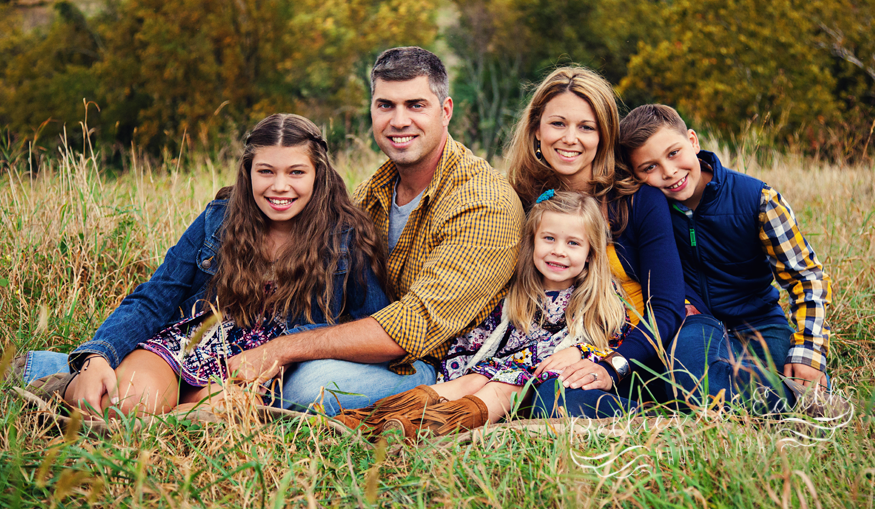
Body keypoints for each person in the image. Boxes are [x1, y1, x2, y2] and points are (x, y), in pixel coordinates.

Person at [20, 47, 524, 417]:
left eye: (415, 105)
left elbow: (405, 329)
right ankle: (95, 370)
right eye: (385, 105)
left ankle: (81, 375)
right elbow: (158, 295)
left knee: (313, 387)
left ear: (445, 110)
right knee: (140, 389)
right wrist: (102, 351)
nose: (398, 120)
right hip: (242, 346)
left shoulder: (481, 203)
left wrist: (279, 351)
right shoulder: (374, 190)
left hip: (433, 362)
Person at [40, 114, 390, 416]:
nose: (279, 187)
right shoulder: (218, 220)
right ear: (248, 171)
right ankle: (72, 378)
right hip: (192, 343)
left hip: (259, 368)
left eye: (296, 172)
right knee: (127, 402)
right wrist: (98, 355)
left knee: (223, 412)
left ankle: (159, 413)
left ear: (318, 174)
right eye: (266, 171)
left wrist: (294, 354)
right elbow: (155, 297)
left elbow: (368, 325)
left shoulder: (346, 238)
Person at [334, 190, 638, 438]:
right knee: (469, 381)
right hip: (499, 366)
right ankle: (373, 418)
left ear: (590, 254)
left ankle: (428, 427)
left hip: (538, 378)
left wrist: (579, 351)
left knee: (503, 385)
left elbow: (614, 343)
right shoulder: (518, 290)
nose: (559, 251)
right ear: (532, 242)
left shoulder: (600, 295)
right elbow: (487, 337)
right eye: (549, 239)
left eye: (573, 243)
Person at [618, 104, 834, 412]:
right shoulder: (648, 212)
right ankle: (795, 402)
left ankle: (785, 392)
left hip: (760, 323)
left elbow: (807, 277)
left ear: (693, 141)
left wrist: (809, 352)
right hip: (695, 324)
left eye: (673, 153)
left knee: (778, 367)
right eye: (649, 167)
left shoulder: (757, 199)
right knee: (685, 376)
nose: (669, 172)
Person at [504, 67, 687, 418]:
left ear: (604, 136)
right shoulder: (523, 201)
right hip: (552, 355)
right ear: (536, 129)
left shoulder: (637, 201)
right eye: (558, 124)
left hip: (636, 353)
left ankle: (651, 413)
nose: (570, 138)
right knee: (551, 399)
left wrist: (608, 364)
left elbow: (666, 308)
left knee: (692, 376)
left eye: (586, 127)